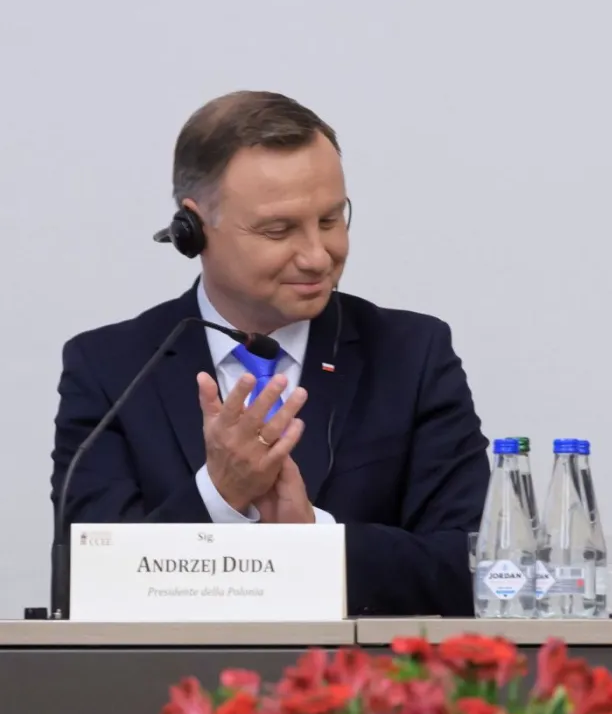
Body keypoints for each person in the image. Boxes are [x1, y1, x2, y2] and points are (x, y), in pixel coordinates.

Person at [49, 91, 490, 617]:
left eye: (330, 220)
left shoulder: (412, 356)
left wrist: (313, 541)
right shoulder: (110, 368)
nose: (317, 255)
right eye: (279, 230)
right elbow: (90, 581)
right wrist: (219, 495)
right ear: (193, 230)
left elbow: (476, 568)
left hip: (361, 691)